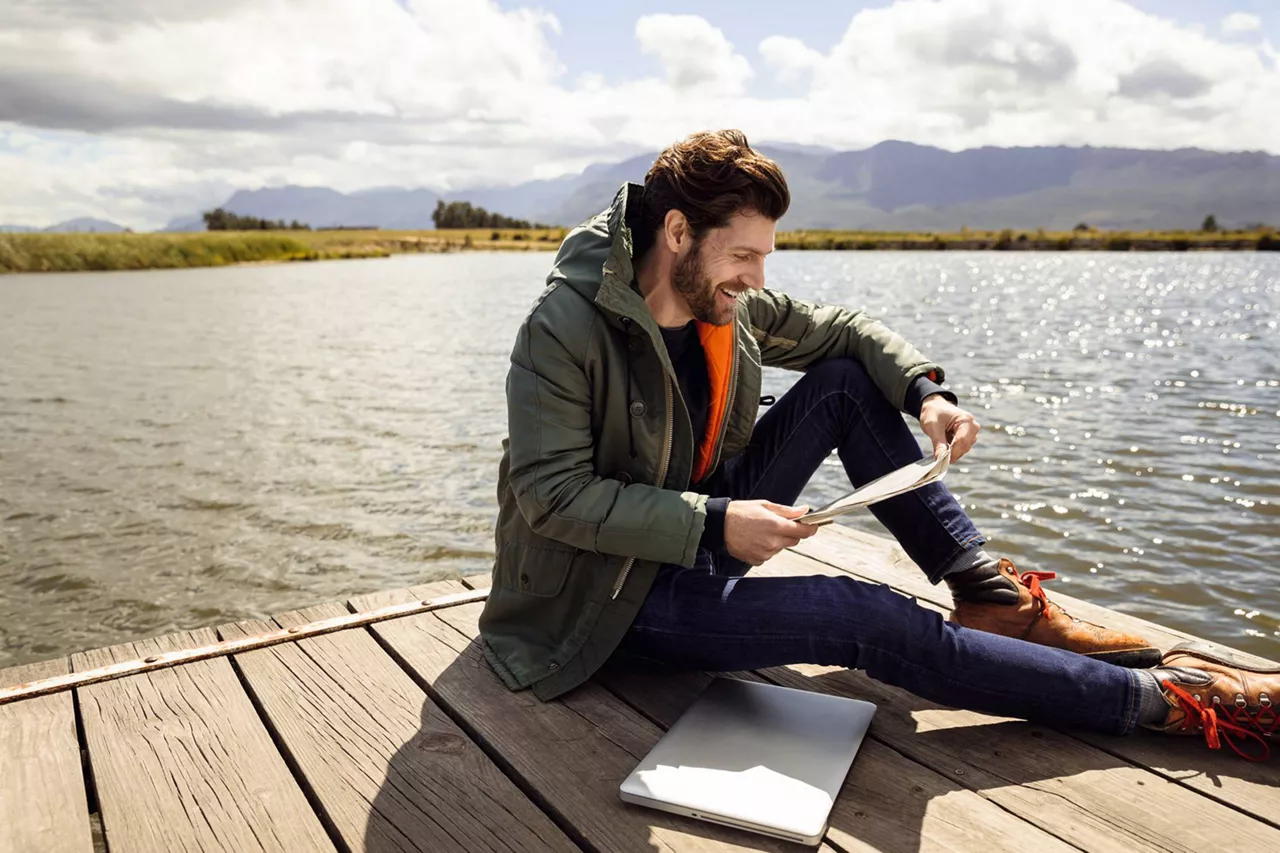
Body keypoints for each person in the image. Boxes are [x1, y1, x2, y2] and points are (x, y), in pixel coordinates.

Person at [478, 130, 1276, 760]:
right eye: (744, 255)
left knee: (847, 384)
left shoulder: (727, 298)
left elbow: (850, 332)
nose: (756, 278)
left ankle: (992, 600)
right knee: (858, 611)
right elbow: (551, 497)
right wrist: (713, 523)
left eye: (766, 256)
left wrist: (926, 393)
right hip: (605, 605)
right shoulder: (563, 328)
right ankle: (1169, 702)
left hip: (694, 537)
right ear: (678, 232)